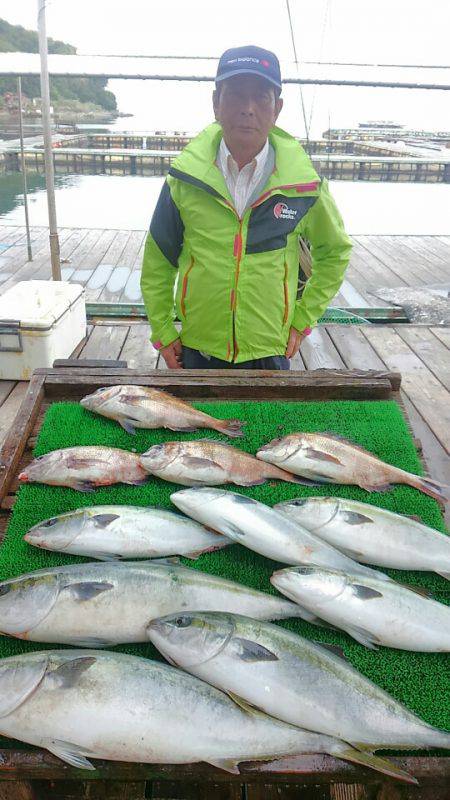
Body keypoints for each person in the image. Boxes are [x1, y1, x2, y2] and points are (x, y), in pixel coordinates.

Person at [141, 45, 352, 369]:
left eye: (261, 98)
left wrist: (302, 319)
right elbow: (159, 260)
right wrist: (163, 331)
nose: (248, 108)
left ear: (277, 108)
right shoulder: (183, 181)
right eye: (236, 95)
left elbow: (335, 251)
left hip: (271, 352)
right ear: (216, 103)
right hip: (198, 350)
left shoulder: (304, 186)